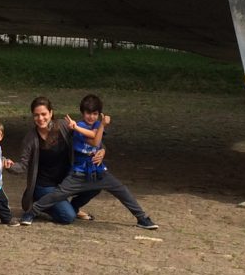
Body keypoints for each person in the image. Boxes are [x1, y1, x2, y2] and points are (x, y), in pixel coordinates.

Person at [20, 94, 158, 230]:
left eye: (95, 113)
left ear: (51, 113)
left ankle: (142, 218)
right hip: (77, 173)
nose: (91, 117)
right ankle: (31, 212)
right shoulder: (75, 126)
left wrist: (102, 150)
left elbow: (98, 143)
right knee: (59, 195)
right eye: (88, 113)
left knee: (121, 189)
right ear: (82, 113)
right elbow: (93, 139)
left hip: (96, 170)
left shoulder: (92, 125)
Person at [7, 96, 101, 224]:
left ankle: (72, 207)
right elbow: (23, 166)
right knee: (67, 217)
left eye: (44, 114)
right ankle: (38, 202)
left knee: (97, 183)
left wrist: (103, 150)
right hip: (45, 185)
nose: (40, 118)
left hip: (66, 182)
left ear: (51, 113)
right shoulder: (31, 138)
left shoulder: (63, 126)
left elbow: (89, 140)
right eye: (36, 115)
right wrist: (8, 166)